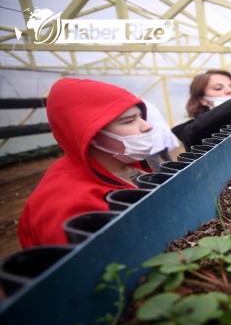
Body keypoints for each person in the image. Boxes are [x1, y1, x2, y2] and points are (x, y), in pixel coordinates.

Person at [18, 78, 154, 248]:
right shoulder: (68, 207)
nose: (147, 126)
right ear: (91, 134)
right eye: (128, 121)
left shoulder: (127, 165)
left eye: (140, 116)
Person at [143, 100, 180, 172]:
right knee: (164, 154)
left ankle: (160, 176)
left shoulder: (142, 104)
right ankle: (174, 171)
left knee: (152, 157)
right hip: (160, 132)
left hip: (156, 133)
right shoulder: (146, 104)